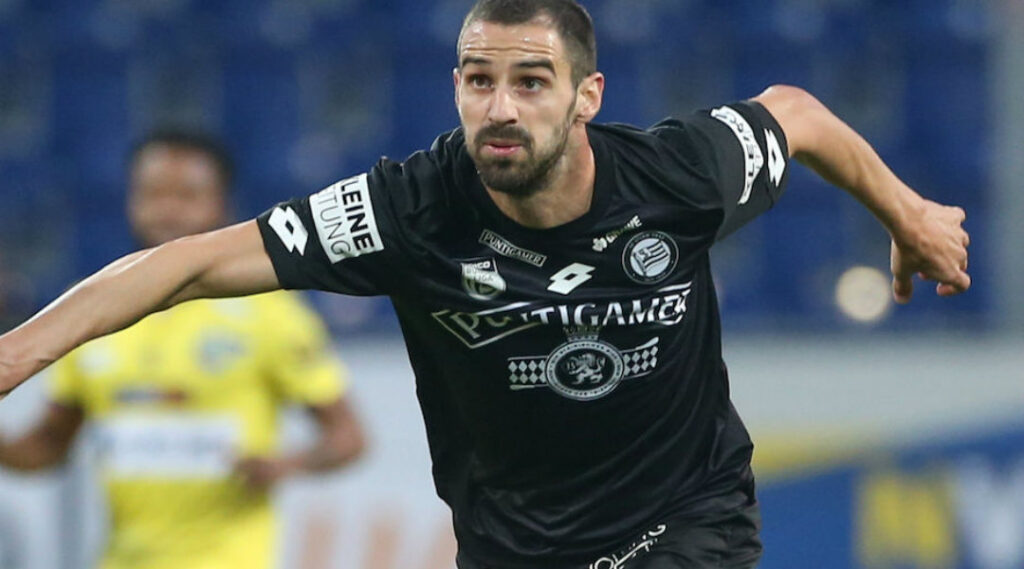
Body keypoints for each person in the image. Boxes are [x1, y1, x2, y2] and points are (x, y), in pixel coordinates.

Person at [0, 1, 971, 567]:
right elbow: (190, 261)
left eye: (531, 82)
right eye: (477, 79)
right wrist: (18, 351)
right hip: (512, 546)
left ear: (586, 95)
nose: (500, 107)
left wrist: (910, 214)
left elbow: (795, 114)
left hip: (684, 522)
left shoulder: (678, 175)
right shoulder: (408, 208)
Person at [0, 129, 366, 569]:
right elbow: (46, 447)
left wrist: (285, 465)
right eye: (152, 194)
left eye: (187, 195)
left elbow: (347, 437)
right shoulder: (89, 313)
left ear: (222, 204)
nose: (167, 209)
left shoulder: (270, 315)